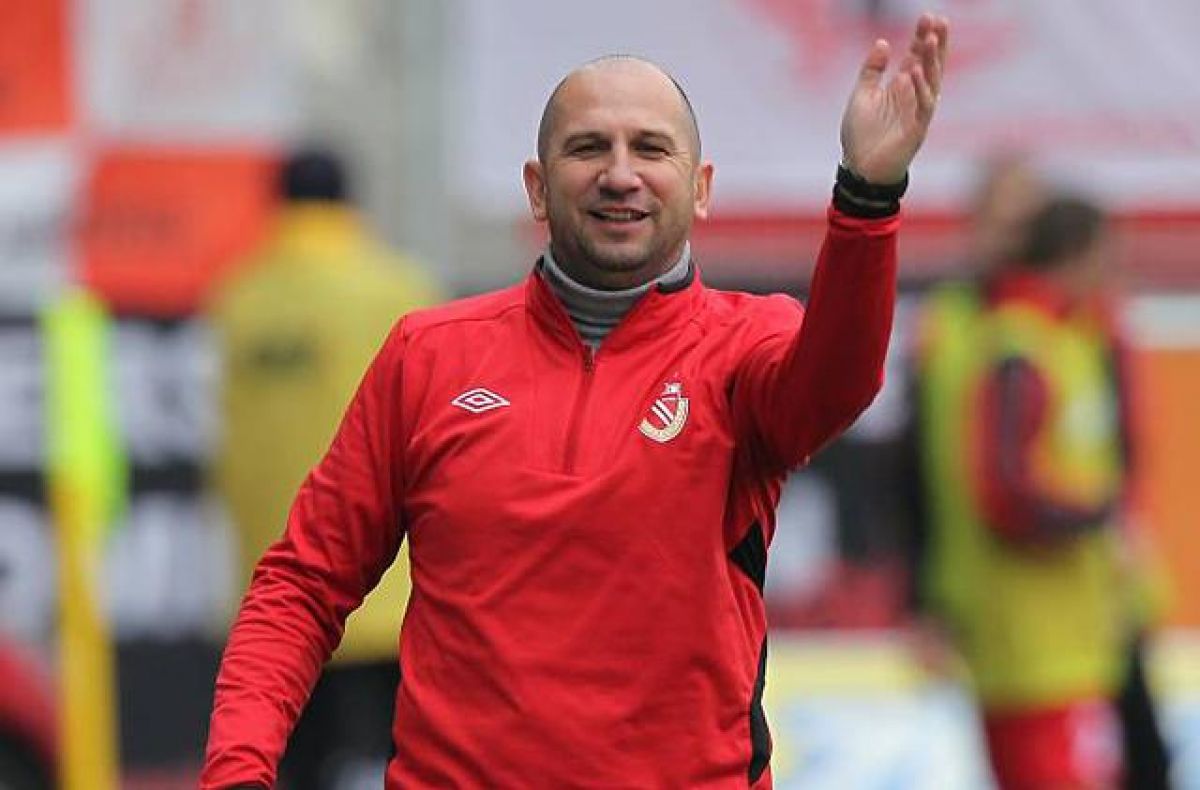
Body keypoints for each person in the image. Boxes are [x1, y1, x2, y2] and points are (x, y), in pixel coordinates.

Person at [202, 14, 949, 789]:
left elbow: (839, 380)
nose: (619, 174)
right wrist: (236, 772)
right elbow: (300, 586)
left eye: (650, 148)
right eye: (588, 147)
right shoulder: (428, 355)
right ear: (536, 188)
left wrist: (868, 198)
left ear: (701, 189)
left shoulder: (747, 346)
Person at [206, 148, 443, 789]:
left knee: (291, 766)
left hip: (277, 598)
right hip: (386, 592)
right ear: (348, 201)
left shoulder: (238, 299)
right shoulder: (395, 287)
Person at [911, 193, 1165, 789]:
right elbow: (1007, 491)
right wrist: (1098, 514)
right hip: (1033, 638)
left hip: (1066, 631)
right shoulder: (1020, 350)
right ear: (1078, 256)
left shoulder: (1066, 337)